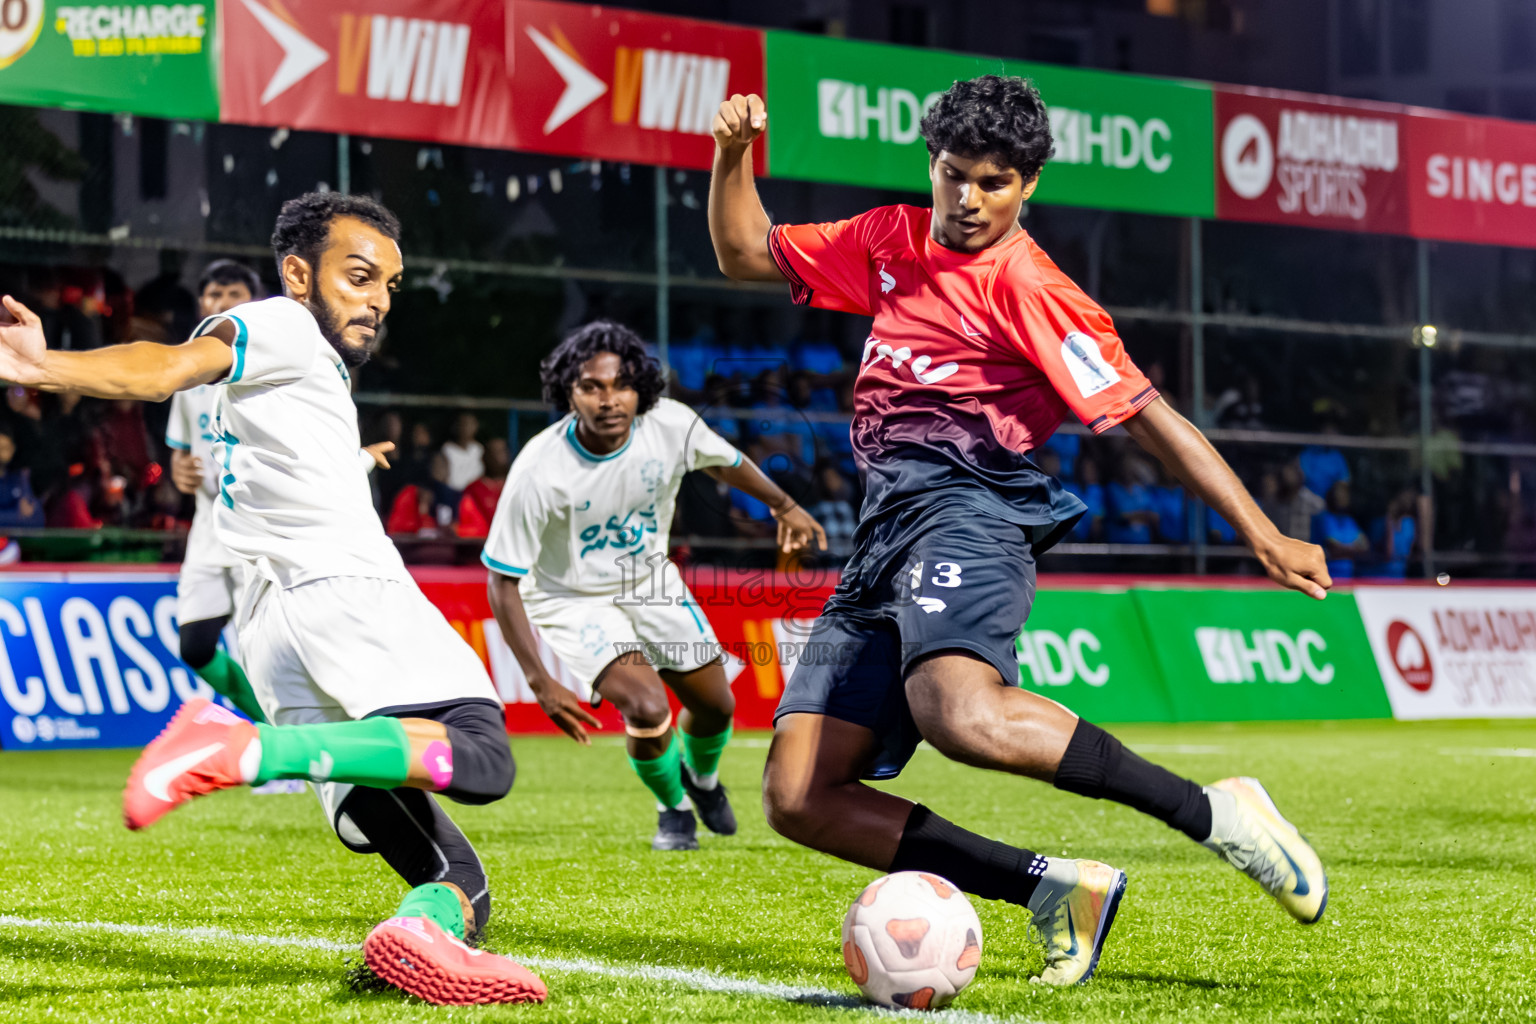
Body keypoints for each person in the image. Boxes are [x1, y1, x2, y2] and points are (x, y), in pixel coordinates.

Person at [708, 75, 1331, 987]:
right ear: (932, 164)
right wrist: (733, 154)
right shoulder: (888, 240)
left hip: (971, 513)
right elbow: (741, 253)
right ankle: (1055, 891)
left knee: (958, 712)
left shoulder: (1035, 289)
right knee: (799, 796)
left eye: (993, 183)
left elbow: (1154, 419)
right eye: (954, 175)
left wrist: (1263, 531)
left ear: (1027, 184)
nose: (967, 199)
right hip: (884, 534)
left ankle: (1216, 813)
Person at [0, 193, 545, 1006]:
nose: (377, 301)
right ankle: (243, 749)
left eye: (389, 286)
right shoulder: (284, 325)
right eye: (359, 277)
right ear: (298, 273)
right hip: (342, 589)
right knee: (484, 754)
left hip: (273, 634)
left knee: (457, 878)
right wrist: (48, 366)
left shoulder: (292, 373)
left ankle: (419, 935)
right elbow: (167, 368)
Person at [482, 320, 826, 851]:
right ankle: (674, 810)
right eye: (590, 387)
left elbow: (726, 462)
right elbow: (503, 581)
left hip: (649, 581)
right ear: (567, 392)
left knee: (717, 706)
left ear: (640, 385)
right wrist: (538, 680)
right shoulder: (539, 469)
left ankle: (703, 782)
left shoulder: (669, 424)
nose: (608, 400)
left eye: (620, 384)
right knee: (647, 706)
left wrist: (784, 504)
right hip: (572, 599)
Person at [164, 260, 267, 723]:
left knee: (265, 651)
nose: (221, 304)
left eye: (234, 294)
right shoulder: (188, 372)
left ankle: (287, 746)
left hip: (259, 530)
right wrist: (179, 471)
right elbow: (181, 451)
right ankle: (266, 725)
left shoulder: (270, 369)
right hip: (208, 528)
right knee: (196, 645)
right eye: (213, 295)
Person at [1312, 479, 1369, 580]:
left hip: (1348, 575)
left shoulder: (1349, 521)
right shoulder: (1324, 519)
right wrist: (1354, 549)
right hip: (1327, 575)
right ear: (1332, 495)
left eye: (1345, 494)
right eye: (1340, 493)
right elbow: (1334, 548)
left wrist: (1345, 549)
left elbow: (1365, 546)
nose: (1343, 497)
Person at [456, 437, 511, 539]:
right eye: (494, 452)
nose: (498, 456)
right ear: (484, 457)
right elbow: (468, 529)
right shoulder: (473, 490)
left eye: (503, 451)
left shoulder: (514, 486)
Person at [441, 411, 484, 491]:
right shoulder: (447, 449)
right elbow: (443, 476)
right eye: (463, 424)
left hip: (474, 494)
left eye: (470, 424)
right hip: (453, 494)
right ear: (455, 427)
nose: (466, 428)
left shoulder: (478, 449)